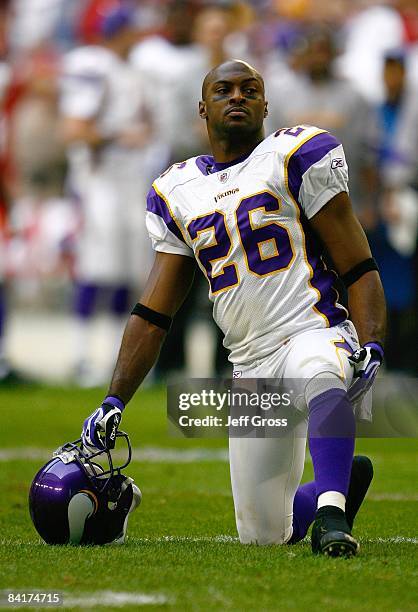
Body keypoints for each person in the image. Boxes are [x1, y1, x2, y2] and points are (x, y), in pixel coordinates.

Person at [81, 60, 386, 556]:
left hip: (312, 327)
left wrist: (370, 341)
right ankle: (343, 478)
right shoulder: (177, 191)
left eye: (251, 89)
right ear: (203, 107)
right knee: (264, 535)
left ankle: (333, 517)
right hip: (249, 362)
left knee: (320, 370)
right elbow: (154, 313)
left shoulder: (295, 155)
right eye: (224, 90)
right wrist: (114, 398)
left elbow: (358, 265)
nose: (238, 97)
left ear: (266, 104)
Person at [59, 0, 154, 385]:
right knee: (95, 270)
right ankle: (82, 355)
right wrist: (121, 136)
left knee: (127, 272)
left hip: (128, 183)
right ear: (120, 30)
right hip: (98, 184)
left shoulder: (128, 70)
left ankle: (119, 359)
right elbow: (74, 129)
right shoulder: (92, 64)